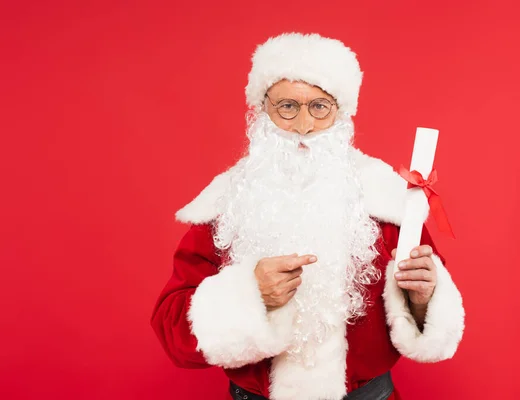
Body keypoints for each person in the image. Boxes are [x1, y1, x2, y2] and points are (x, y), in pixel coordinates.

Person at [151, 33, 464, 400]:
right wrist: (250, 294)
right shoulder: (226, 203)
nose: (303, 125)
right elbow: (172, 331)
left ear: (341, 113)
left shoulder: (389, 200)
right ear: (262, 110)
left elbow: (431, 318)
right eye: (287, 106)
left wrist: (425, 297)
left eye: (319, 106)